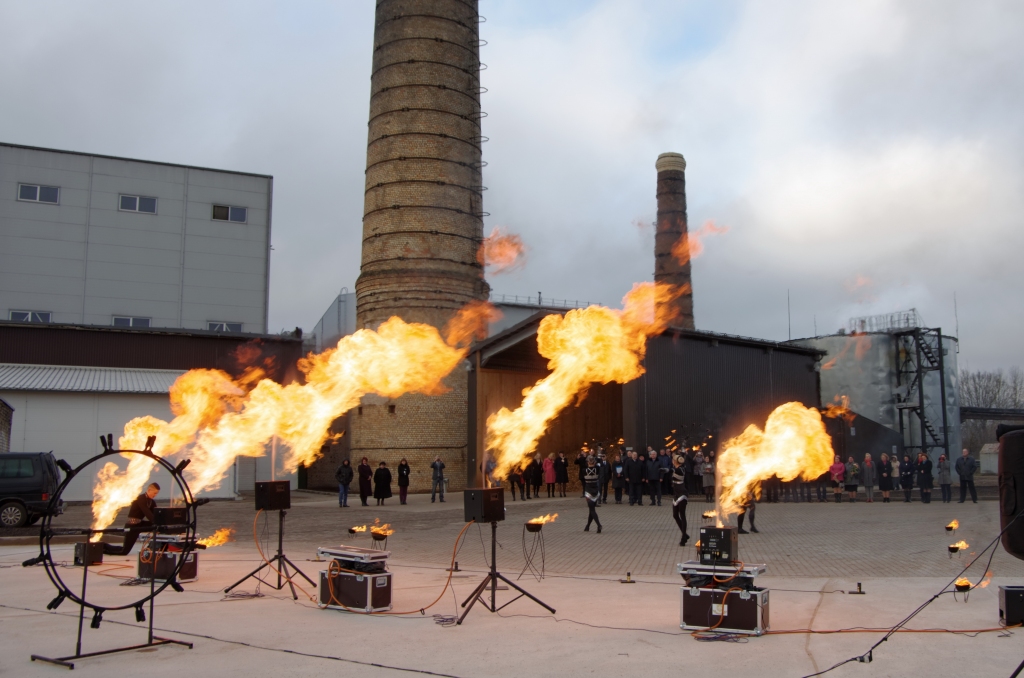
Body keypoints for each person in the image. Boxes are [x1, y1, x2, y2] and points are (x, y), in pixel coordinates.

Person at [102, 483, 159, 555]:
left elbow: (156, 513)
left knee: (158, 527)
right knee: (124, 551)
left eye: (157, 493)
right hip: (132, 526)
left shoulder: (151, 502)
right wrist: (155, 522)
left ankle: (154, 546)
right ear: (149, 490)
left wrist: (161, 522)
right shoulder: (141, 499)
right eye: (154, 493)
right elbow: (147, 513)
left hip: (140, 524)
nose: (155, 495)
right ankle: (103, 547)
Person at [671, 454, 689, 546]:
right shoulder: (677, 468)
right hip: (676, 494)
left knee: (682, 515)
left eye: (673, 460)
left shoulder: (680, 469)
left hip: (682, 494)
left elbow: (674, 471)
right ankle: (685, 534)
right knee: (675, 515)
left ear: (675, 461)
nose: (672, 461)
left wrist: (667, 470)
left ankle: (683, 538)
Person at [582, 455, 602, 533]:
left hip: (588, 492)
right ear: (594, 462)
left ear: (588, 462)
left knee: (592, 510)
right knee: (591, 510)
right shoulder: (597, 469)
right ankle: (587, 526)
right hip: (596, 491)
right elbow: (599, 463)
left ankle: (599, 525)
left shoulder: (584, 470)